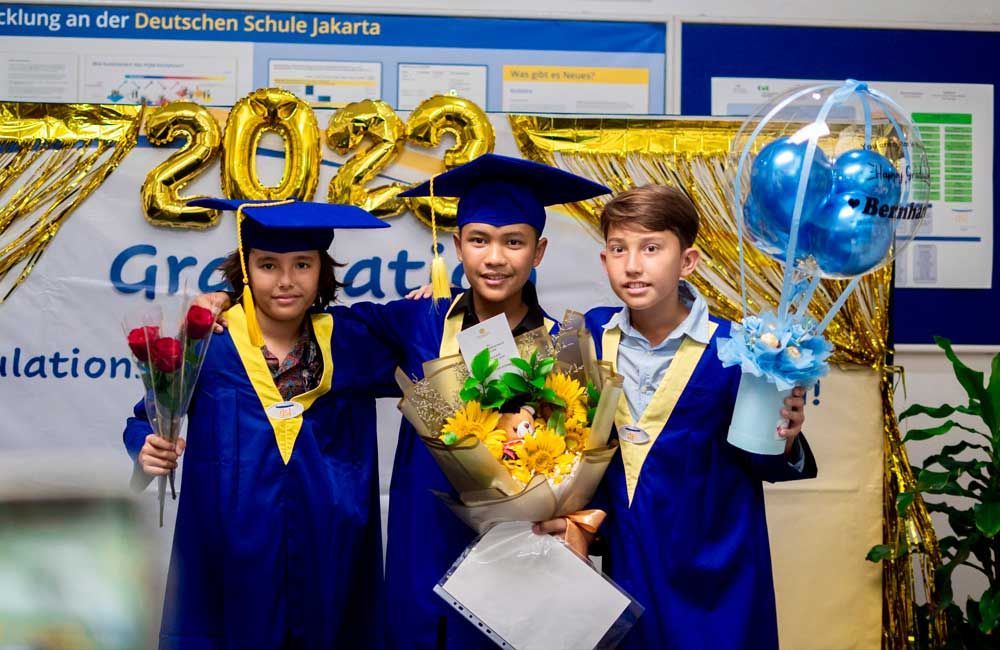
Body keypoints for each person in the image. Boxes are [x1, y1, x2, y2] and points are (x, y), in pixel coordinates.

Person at [198, 155, 610, 649]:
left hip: (521, 565)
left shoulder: (565, 349)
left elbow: (591, 464)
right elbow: (296, 325)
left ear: (538, 252)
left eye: (514, 242)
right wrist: (226, 301)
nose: (495, 258)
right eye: (479, 240)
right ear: (457, 246)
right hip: (424, 551)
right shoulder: (418, 322)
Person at [535, 184, 817, 649]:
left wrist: (786, 434)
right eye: (618, 249)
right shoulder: (586, 335)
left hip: (717, 574)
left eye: (651, 248)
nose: (632, 265)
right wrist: (443, 299)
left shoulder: (739, 350)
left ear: (688, 261)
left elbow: (763, 459)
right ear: (604, 260)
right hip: (628, 563)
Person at [123, 199, 397, 649]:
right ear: (246, 269)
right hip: (231, 559)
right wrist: (146, 446)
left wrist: (433, 297)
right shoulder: (208, 342)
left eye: (302, 264)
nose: (286, 280)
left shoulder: (350, 339)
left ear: (321, 271)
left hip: (330, 556)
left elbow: (438, 338)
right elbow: (146, 417)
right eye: (268, 265)